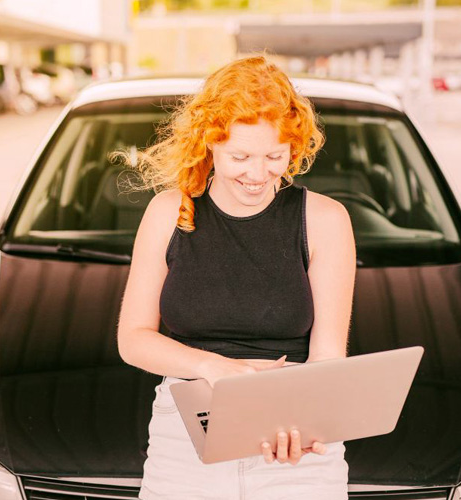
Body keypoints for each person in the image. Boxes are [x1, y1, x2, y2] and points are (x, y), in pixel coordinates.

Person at [115, 55, 356, 499]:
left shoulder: (325, 220)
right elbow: (132, 339)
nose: (258, 173)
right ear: (209, 143)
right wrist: (213, 368)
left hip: (294, 438)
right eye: (240, 156)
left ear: (294, 148)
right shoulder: (167, 212)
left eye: (274, 156)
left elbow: (327, 357)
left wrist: (303, 421)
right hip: (186, 438)